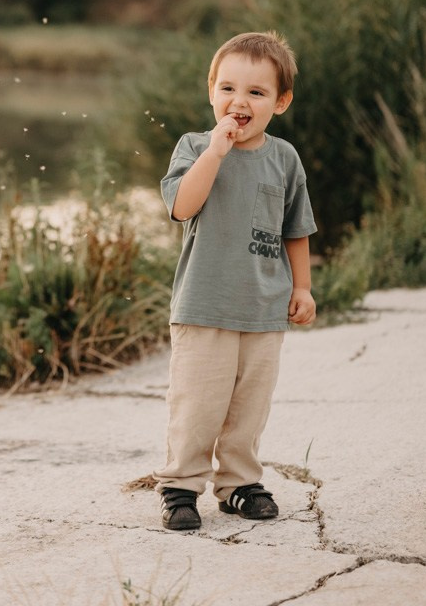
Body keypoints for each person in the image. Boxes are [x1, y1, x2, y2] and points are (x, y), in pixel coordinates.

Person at [154, 31, 316, 531]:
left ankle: (239, 484)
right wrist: (216, 152)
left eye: (256, 92)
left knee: (249, 405)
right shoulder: (195, 146)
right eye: (227, 88)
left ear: (280, 102)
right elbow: (182, 207)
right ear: (211, 92)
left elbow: (296, 229)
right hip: (204, 305)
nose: (238, 102)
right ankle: (181, 485)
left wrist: (302, 288)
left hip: (264, 307)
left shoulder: (284, 158)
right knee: (198, 403)